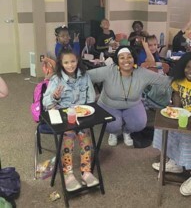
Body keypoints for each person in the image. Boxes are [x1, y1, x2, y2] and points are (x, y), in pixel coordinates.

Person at [88, 46, 170, 147]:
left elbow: (164, 81)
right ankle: (113, 133)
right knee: (112, 125)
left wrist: (183, 76)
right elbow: (86, 76)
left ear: (134, 59)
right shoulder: (108, 71)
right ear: (117, 60)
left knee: (139, 123)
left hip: (133, 104)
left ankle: (127, 131)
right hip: (109, 105)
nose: (126, 60)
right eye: (122, 57)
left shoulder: (142, 73)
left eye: (129, 57)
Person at [43, 49, 99, 192]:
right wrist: (55, 97)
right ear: (61, 64)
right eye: (66, 62)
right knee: (67, 140)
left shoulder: (84, 76)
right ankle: (68, 174)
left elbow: (91, 98)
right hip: (65, 117)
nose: (70, 65)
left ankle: (86, 172)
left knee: (86, 139)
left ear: (77, 61)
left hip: (83, 116)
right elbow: (46, 102)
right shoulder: (56, 79)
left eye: (73, 61)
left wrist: (86, 110)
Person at [152, 52, 191, 196]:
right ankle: (176, 162)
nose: (190, 71)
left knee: (187, 137)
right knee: (165, 129)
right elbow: (176, 98)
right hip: (184, 116)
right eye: (187, 67)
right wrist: (174, 111)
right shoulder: (179, 80)